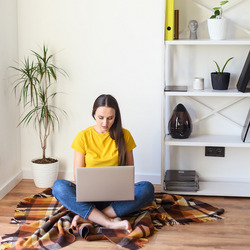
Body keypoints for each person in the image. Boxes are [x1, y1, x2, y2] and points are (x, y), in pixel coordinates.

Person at [52, 94, 154, 233]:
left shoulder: (125, 135)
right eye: (101, 118)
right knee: (58, 187)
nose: (105, 123)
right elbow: (78, 177)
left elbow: (129, 174)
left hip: (115, 199)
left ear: (116, 116)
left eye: (110, 118)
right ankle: (109, 222)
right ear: (94, 114)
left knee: (147, 189)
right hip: (88, 198)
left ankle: (90, 217)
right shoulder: (83, 136)